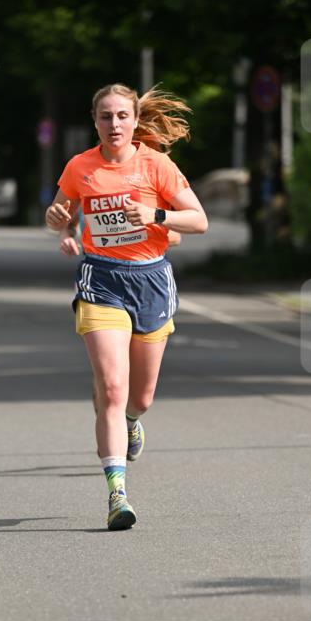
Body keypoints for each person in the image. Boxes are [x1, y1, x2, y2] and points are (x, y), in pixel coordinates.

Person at [45, 83, 208, 530]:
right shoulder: (80, 166)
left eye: (121, 116)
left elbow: (199, 220)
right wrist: (61, 226)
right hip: (101, 280)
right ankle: (117, 494)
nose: (113, 124)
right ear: (94, 121)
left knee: (140, 398)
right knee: (113, 389)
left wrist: (156, 216)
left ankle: (133, 421)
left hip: (151, 281)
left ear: (135, 121)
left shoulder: (156, 165)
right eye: (105, 116)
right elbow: (60, 213)